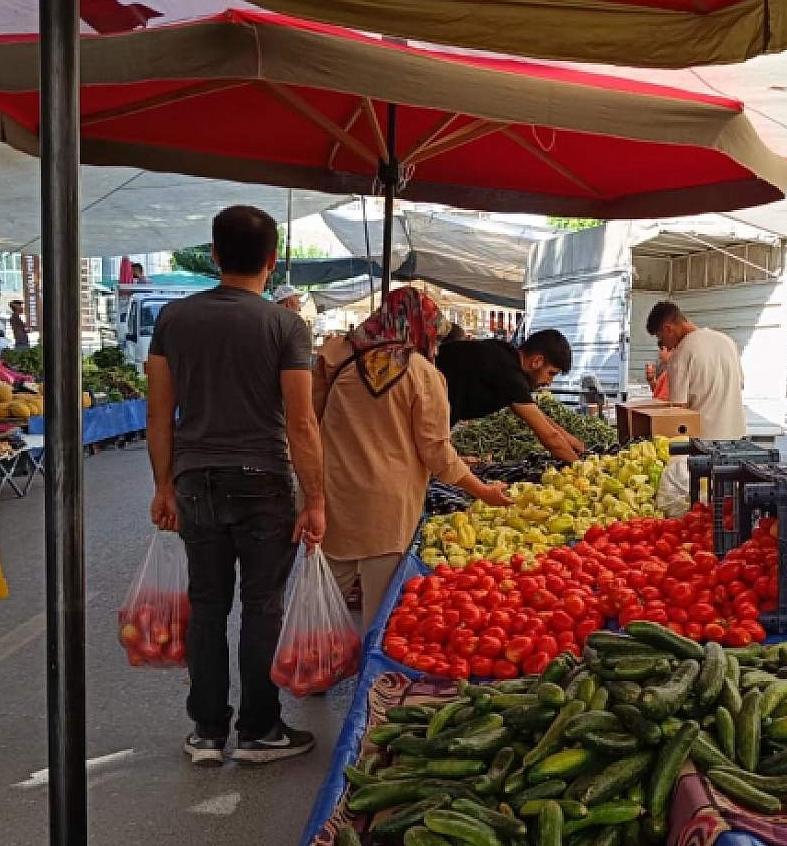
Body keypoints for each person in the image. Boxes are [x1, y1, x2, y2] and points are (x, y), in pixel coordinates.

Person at [146, 205, 325, 767]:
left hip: (195, 480)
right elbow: (301, 421)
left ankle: (205, 731)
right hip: (264, 481)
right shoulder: (285, 326)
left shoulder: (174, 319)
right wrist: (314, 498)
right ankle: (258, 730)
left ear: (215, 254)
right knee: (261, 605)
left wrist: (163, 486)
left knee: (206, 605)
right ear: (272, 262)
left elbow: (158, 414)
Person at [314, 288, 510, 629]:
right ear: (423, 328)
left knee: (321, 604)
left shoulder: (335, 358)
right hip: (390, 507)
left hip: (336, 496)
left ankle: (310, 674)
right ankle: (367, 678)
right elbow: (436, 451)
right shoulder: (423, 374)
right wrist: (483, 492)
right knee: (379, 615)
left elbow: (308, 423)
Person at [436, 329, 585, 462]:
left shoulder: (504, 354)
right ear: (537, 361)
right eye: (551, 373)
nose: (549, 382)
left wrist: (569, 439)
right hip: (417, 411)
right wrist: (582, 468)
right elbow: (551, 439)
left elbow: (538, 416)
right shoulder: (509, 375)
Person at [645, 301, 747, 440]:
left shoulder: (681, 354)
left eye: (661, 338)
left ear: (668, 328)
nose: (664, 344)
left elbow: (678, 410)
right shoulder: (727, 341)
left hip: (703, 441)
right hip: (737, 437)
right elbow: (739, 384)